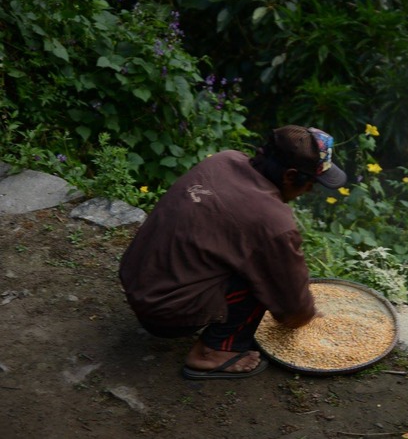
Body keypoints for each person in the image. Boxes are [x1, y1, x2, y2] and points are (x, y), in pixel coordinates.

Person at [119, 125, 347, 379]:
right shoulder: (272, 221)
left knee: (254, 256)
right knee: (268, 274)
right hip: (166, 314)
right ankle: (213, 353)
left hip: (137, 281)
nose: (310, 191)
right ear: (290, 176)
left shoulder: (223, 160)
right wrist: (307, 315)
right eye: (311, 183)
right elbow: (291, 308)